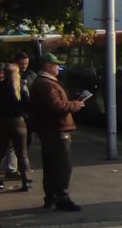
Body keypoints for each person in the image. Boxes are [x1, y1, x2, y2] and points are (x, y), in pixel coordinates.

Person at [28, 53, 86, 210]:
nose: (59, 68)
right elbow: (57, 106)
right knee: (62, 164)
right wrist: (75, 105)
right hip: (56, 129)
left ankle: (52, 197)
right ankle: (62, 197)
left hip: (49, 129)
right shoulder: (47, 84)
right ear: (47, 66)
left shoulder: (43, 82)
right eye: (56, 65)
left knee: (51, 164)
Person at [0, 62, 31, 192]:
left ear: (4, 73)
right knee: (22, 153)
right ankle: (25, 181)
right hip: (18, 122)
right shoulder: (20, 87)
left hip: (0, 123)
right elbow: (27, 105)